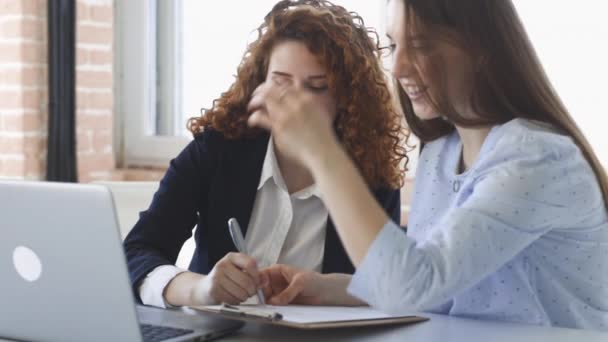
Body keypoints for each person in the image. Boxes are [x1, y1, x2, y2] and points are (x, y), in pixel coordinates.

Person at [249, 0, 608, 330]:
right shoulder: (439, 152)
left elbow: (412, 286)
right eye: (394, 45)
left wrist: (320, 150)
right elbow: (438, 283)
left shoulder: (538, 158)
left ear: (479, 47)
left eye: (419, 46)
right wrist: (334, 289)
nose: (400, 67)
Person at [123, 0, 407, 308]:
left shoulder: (371, 175)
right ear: (260, 83)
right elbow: (136, 253)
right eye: (280, 81)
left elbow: (389, 286)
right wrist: (201, 290)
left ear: (347, 100)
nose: (294, 102)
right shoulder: (216, 150)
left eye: (316, 86)